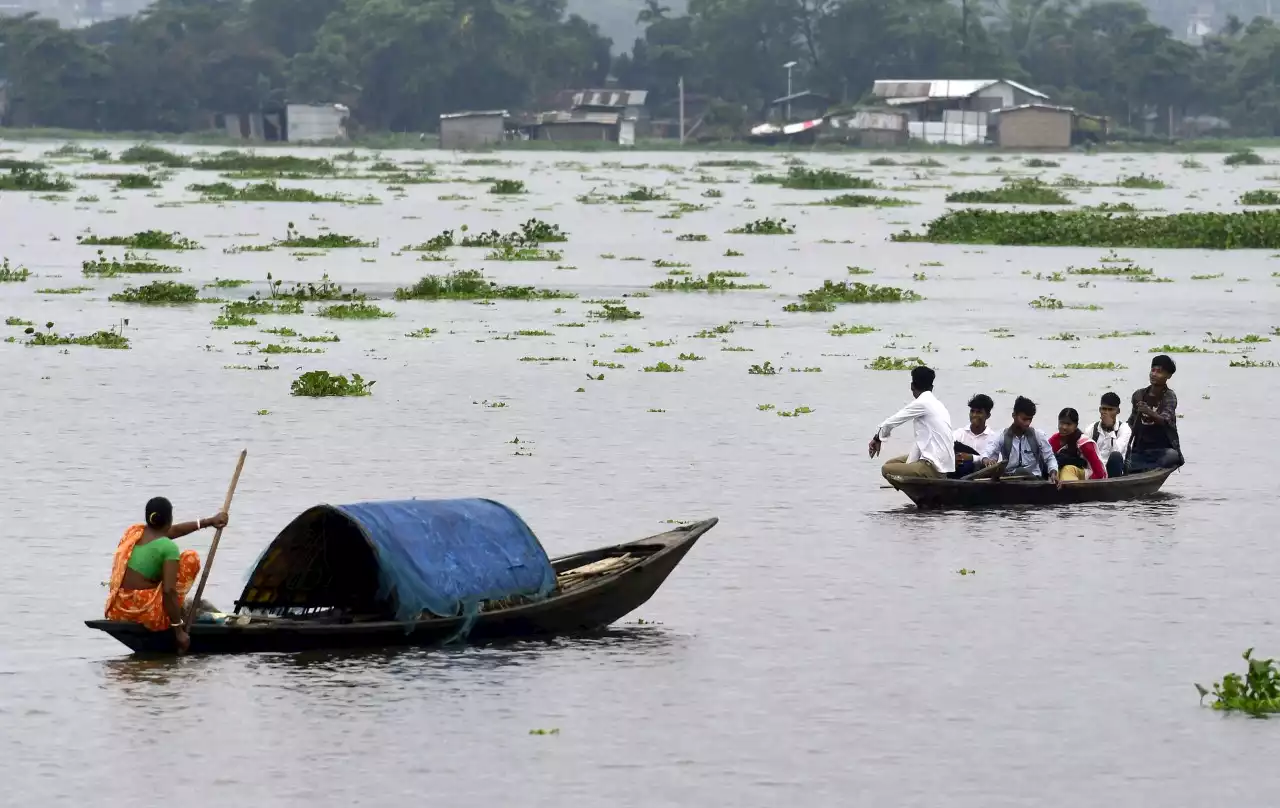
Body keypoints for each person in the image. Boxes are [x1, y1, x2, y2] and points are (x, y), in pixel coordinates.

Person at [104, 497, 228, 652]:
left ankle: (170, 610)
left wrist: (208, 522)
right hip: (146, 613)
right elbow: (169, 591)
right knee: (190, 558)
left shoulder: (133, 532)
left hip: (119, 608)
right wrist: (179, 631)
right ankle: (172, 614)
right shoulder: (168, 548)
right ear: (169, 519)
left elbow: (172, 531)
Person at [869, 365, 955, 479]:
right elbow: (921, 441)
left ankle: (921, 491)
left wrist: (877, 438)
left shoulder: (923, 402)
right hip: (943, 464)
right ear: (932, 387)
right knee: (891, 464)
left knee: (886, 469)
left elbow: (891, 422)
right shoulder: (938, 404)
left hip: (933, 466)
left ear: (912, 386)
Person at [980, 396, 1059, 484]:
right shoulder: (1001, 435)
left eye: (1030, 419)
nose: (1028, 423)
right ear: (1014, 415)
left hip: (1034, 481)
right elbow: (987, 452)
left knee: (1021, 471)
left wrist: (1053, 472)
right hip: (1009, 481)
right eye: (1024, 419)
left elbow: (1050, 458)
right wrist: (986, 459)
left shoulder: (1038, 435)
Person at [1126, 354, 1184, 473]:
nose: (1154, 374)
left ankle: (1145, 469)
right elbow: (1131, 423)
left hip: (1161, 450)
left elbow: (1165, 420)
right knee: (1121, 458)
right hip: (1140, 450)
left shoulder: (1169, 396)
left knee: (1172, 456)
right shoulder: (1139, 395)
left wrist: (1149, 411)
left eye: (1159, 372)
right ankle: (1144, 468)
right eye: (1153, 370)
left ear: (1168, 376)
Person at [1049, 407, 1106, 481]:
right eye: (1062, 423)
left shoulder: (1084, 444)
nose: (1064, 427)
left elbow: (1099, 473)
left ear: (1076, 426)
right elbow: (1046, 458)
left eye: (1068, 424)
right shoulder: (1054, 440)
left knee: (1067, 469)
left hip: (1090, 479)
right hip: (1062, 476)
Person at [1085, 392, 1131, 478]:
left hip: (1115, 471)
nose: (1106, 413)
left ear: (1118, 411)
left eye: (1110, 410)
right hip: (1095, 471)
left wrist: (1110, 430)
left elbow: (1118, 451)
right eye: (1104, 409)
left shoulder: (1125, 429)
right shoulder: (1091, 429)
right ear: (1099, 410)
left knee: (1115, 456)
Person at [952, 393, 995, 477]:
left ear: (988, 416)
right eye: (972, 411)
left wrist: (970, 457)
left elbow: (993, 462)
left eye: (979, 412)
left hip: (983, 479)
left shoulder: (993, 438)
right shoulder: (958, 434)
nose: (974, 415)